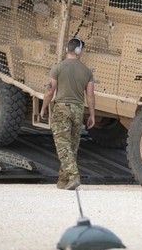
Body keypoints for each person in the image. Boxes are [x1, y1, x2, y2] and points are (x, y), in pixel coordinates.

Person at [40, 38, 96, 190]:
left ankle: (73, 175)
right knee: (72, 146)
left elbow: (49, 92)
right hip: (78, 110)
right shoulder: (87, 71)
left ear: (67, 50)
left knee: (63, 145)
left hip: (61, 110)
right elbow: (90, 96)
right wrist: (92, 115)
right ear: (78, 51)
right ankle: (64, 180)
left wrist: (43, 108)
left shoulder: (57, 68)